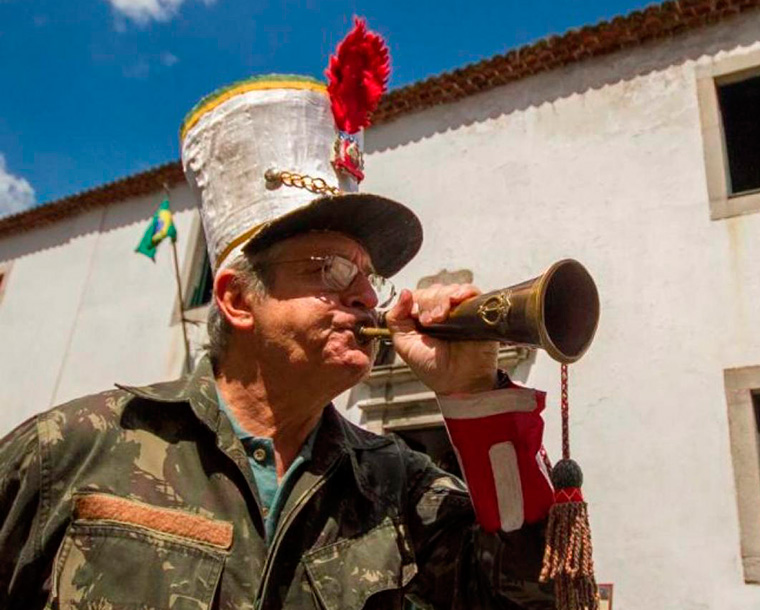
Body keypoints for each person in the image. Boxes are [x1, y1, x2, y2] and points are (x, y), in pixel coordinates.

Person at [0, 21, 557, 609]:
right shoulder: (71, 450)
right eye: (330, 270)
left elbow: (537, 598)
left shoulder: (401, 486)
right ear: (238, 299)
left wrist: (476, 398)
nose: (369, 298)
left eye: (369, 277)